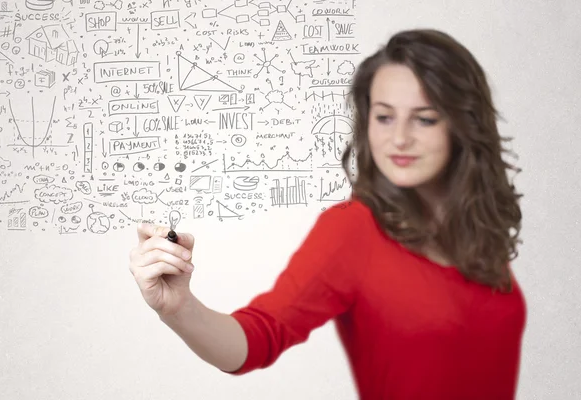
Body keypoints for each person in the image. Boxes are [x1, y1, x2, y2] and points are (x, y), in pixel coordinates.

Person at [128, 28, 527, 400]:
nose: (400, 137)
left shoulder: (476, 228)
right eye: (384, 116)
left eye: (424, 118)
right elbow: (261, 335)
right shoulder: (354, 229)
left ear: (463, 125)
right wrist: (180, 309)